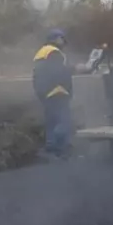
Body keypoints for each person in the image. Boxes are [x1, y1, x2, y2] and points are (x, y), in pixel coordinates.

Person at [32, 28, 75, 159]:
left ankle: (50, 147)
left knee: (51, 121)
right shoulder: (54, 53)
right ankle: (62, 147)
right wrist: (75, 69)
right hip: (57, 91)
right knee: (64, 121)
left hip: (44, 92)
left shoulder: (41, 53)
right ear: (55, 39)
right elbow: (58, 71)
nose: (63, 41)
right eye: (61, 38)